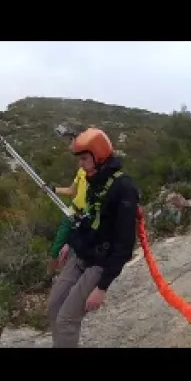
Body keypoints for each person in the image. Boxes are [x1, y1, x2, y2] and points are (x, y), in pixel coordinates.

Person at [47, 127, 140, 348]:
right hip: (82, 252)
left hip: (100, 262)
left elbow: (125, 245)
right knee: (53, 307)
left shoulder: (124, 188)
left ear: (99, 157)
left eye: (85, 159)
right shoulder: (95, 183)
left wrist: (102, 288)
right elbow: (88, 217)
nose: (81, 164)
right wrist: (70, 241)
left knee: (67, 319)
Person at [36, 166, 88, 289]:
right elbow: (71, 191)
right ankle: (48, 278)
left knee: (81, 250)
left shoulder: (101, 175)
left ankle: (78, 281)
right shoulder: (81, 171)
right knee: (57, 247)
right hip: (71, 213)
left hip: (86, 218)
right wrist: (53, 189)